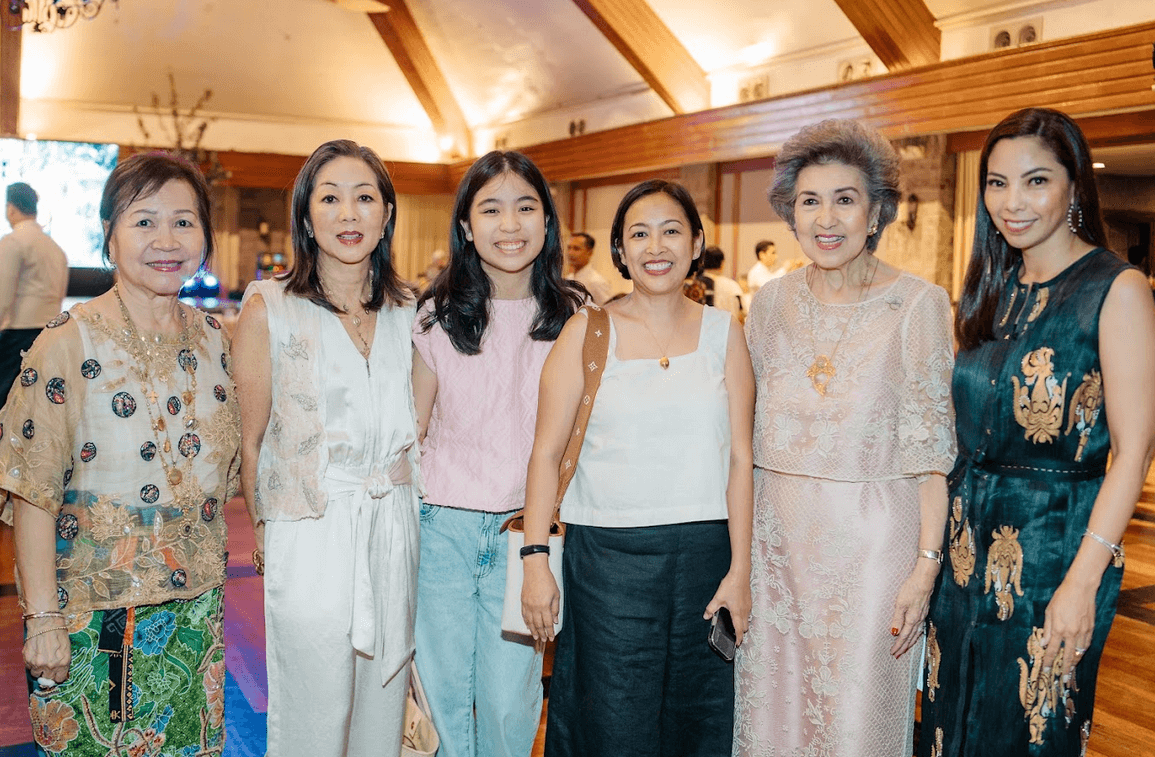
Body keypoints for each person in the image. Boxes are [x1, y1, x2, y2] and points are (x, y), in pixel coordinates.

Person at [920, 108, 1155, 756]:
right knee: (952, 722)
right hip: (964, 551)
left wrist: (1082, 582)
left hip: (1056, 552)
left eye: (1034, 181)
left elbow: (1132, 452)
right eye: (996, 183)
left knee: (1027, 731)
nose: (1011, 201)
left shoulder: (1116, 288)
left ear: (1073, 185)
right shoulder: (989, 290)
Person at [0, 153, 239, 755]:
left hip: (196, 622)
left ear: (205, 239)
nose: (166, 240)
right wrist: (43, 621)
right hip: (89, 624)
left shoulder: (216, 341)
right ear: (109, 235)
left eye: (184, 222)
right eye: (144, 221)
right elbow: (33, 493)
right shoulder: (62, 345)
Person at [734, 119, 957, 757]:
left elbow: (930, 450)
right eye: (809, 201)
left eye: (845, 199)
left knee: (854, 725)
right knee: (772, 718)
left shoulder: (919, 304)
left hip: (870, 550)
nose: (826, 219)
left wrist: (926, 566)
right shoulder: (770, 303)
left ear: (876, 211)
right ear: (789, 213)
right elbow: (743, 430)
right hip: (775, 544)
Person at [522, 179, 755, 756]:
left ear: (696, 242)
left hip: (706, 558)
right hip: (607, 564)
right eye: (640, 234)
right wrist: (534, 560)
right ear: (620, 251)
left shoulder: (725, 334)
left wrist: (741, 571)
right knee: (611, 720)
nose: (658, 247)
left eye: (672, 231)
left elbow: (741, 458)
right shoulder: (586, 331)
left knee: (699, 723)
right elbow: (545, 455)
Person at [231, 140, 421, 757]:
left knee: (382, 706)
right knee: (314, 707)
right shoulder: (272, 306)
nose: (349, 214)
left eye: (365, 198)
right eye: (330, 198)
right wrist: (264, 534)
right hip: (309, 526)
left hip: (392, 523)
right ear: (306, 215)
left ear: (386, 214)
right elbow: (250, 438)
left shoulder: (410, 312)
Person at [412, 151, 585, 757]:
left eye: (525, 207)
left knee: (513, 706)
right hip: (443, 529)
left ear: (547, 221)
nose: (509, 225)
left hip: (528, 534)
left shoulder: (576, 317)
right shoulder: (436, 316)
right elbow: (414, 428)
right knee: (444, 701)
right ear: (465, 226)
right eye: (490, 209)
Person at [0, 182, 69, 403]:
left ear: (10, 208)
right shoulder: (55, 248)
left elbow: (2, 297)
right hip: (50, 334)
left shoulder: (13, 242)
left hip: (17, 333)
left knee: (6, 399)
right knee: (33, 401)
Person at [566, 232, 612, 305]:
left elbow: (606, 311)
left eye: (576, 248)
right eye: (569, 248)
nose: (570, 253)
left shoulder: (596, 282)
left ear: (589, 252)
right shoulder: (568, 279)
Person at [701, 246, 743, 319]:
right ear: (722, 263)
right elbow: (740, 314)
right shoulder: (733, 286)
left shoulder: (696, 284)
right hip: (727, 328)